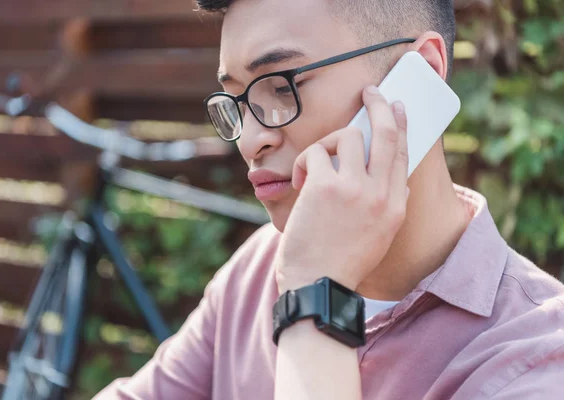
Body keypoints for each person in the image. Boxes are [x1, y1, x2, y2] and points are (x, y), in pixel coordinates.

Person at [94, 0, 564, 399]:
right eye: (235, 100)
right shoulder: (259, 268)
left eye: (282, 86)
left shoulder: (534, 357)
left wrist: (314, 295)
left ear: (422, 75)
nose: (249, 141)